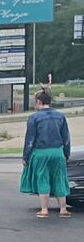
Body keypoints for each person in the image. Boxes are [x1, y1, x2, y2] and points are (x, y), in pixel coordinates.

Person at [20, 89, 71, 217]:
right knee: (60, 178)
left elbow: (30, 140)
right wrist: (66, 153)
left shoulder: (34, 118)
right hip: (57, 152)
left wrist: (26, 156)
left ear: (39, 101)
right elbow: (66, 138)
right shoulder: (60, 116)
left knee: (43, 178)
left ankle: (44, 210)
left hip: (41, 152)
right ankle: (63, 209)